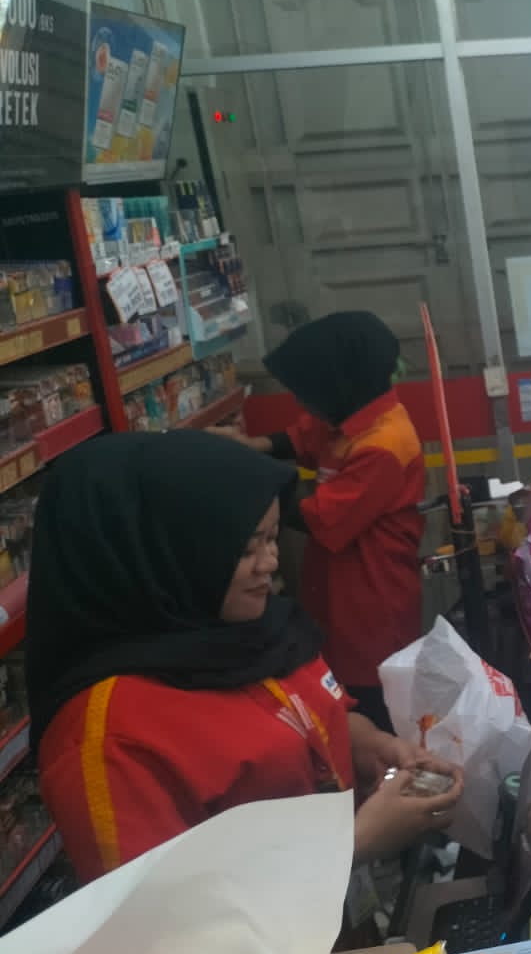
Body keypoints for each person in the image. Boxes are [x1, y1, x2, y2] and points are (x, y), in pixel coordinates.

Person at [29, 431, 462, 881]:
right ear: (168, 552)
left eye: (272, 538)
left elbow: (308, 711)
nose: (270, 562)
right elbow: (158, 909)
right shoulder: (105, 737)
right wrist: (356, 844)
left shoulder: (259, 632)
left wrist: (369, 745)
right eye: (246, 548)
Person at [219, 311, 424, 729]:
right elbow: (301, 438)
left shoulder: (383, 445)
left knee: (368, 713)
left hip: (370, 610)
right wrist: (248, 445)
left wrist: (240, 477)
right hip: (333, 597)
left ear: (339, 386)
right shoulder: (348, 416)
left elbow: (318, 519)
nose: (301, 402)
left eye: (307, 392)